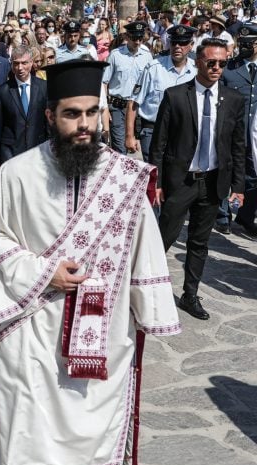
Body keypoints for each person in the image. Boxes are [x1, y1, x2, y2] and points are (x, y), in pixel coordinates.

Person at [0, 59, 180, 465]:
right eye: (71, 114)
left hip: (105, 330)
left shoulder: (125, 178)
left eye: (91, 112)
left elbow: (146, 246)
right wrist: (45, 274)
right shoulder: (17, 174)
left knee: (92, 413)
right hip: (33, 330)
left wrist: (152, 311)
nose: (84, 124)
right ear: (50, 116)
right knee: (28, 416)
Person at [150, 38, 245, 320]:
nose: (217, 68)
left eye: (223, 63)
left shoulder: (234, 100)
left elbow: (237, 146)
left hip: (213, 182)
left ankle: (190, 295)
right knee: (162, 240)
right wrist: (155, 182)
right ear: (198, 61)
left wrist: (238, 186)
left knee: (199, 243)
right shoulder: (176, 95)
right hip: (180, 182)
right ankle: (144, 290)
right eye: (211, 62)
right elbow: (159, 144)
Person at [126, 25, 197, 162]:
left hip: (183, 134)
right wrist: (130, 135)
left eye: (182, 43)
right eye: (174, 42)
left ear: (191, 45)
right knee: (154, 176)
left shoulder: (196, 71)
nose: (177, 46)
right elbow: (133, 102)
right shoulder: (153, 68)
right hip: (153, 131)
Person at [222, 25, 257, 237]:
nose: (244, 47)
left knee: (253, 179)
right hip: (232, 132)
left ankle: (245, 216)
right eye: (241, 43)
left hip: (254, 138)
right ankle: (222, 217)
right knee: (226, 175)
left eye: (249, 43)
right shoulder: (229, 69)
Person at [0, 45, 49, 167]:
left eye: (24, 63)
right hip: (10, 153)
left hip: (38, 150)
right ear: (11, 65)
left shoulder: (44, 87)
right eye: (16, 63)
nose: (20, 68)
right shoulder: (2, 91)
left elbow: (48, 122)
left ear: (32, 63)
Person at [103, 21, 153, 154]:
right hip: (118, 107)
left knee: (142, 148)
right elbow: (104, 82)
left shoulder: (147, 56)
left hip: (138, 109)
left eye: (140, 39)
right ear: (127, 37)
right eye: (134, 38)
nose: (137, 42)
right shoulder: (115, 55)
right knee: (120, 148)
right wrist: (105, 108)